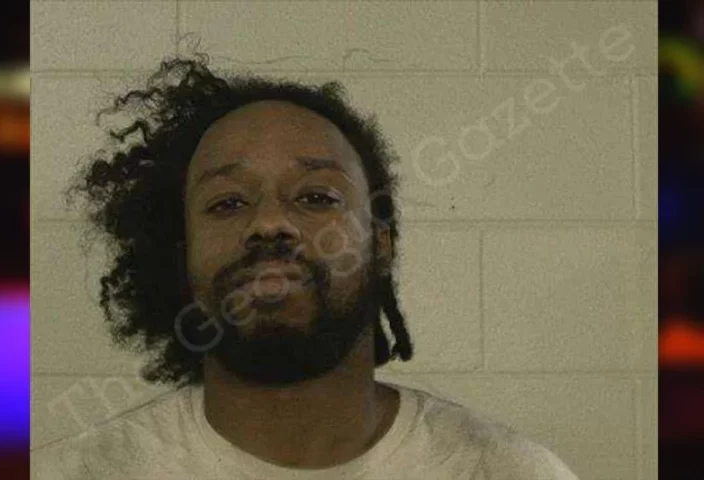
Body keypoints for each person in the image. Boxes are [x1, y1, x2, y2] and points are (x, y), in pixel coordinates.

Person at [31, 53, 579, 479]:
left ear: (381, 244)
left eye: (316, 197)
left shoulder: (506, 471)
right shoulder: (77, 472)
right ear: (181, 256)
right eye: (227, 203)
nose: (270, 223)